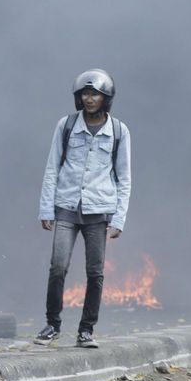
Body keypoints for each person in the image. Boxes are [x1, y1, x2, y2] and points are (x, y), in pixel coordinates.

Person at [34, 69, 132, 348]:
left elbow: (124, 178)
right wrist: (46, 209)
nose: (90, 99)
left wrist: (119, 219)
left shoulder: (119, 131)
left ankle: (86, 330)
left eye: (95, 94)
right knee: (58, 267)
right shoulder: (66, 125)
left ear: (106, 98)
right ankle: (52, 325)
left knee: (95, 272)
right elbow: (52, 167)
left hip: (99, 210)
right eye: (85, 94)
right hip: (66, 206)